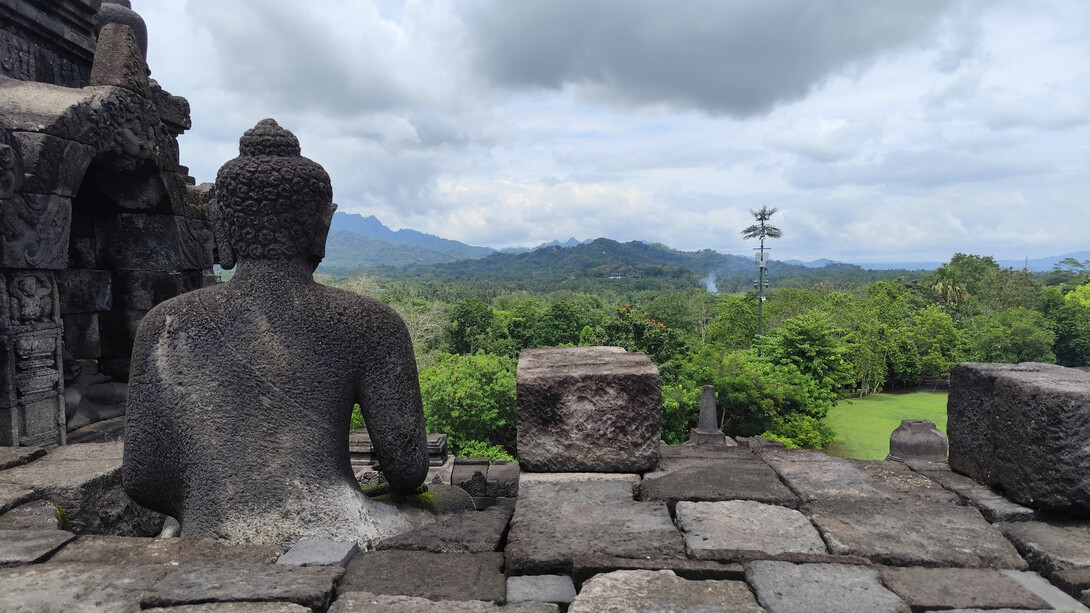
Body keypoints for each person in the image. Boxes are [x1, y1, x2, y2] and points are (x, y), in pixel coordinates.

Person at [123, 119, 429, 546]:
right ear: (322, 226)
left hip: (209, 531)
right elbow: (408, 469)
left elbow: (142, 478)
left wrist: (208, 502)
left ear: (221, 224)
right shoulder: (372, 323)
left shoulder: (164, 324)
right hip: (341, 530)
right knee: (452, 503)